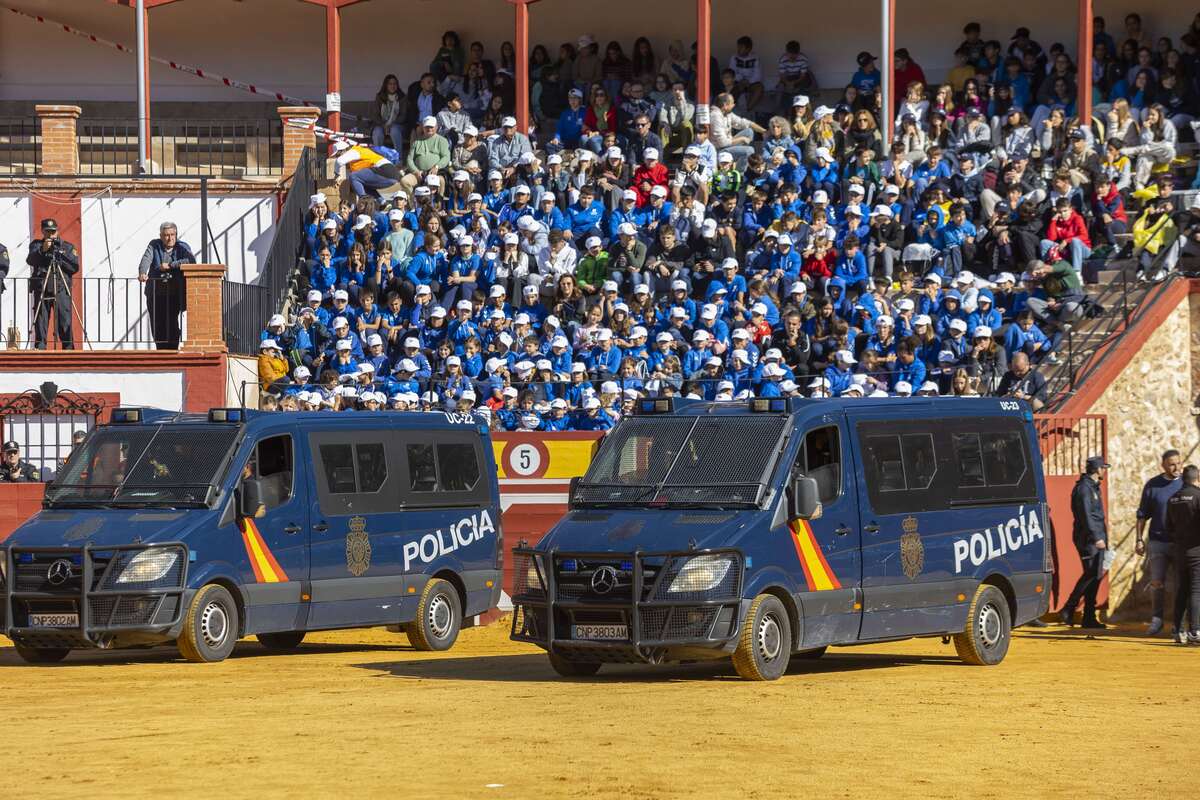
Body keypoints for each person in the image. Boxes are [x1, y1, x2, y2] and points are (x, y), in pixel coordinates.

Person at [1136, 449, 1184, 637]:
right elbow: (1142, 516)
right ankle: (1156, 621)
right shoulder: (1153, 485)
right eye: (1172, 464)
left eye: (1179, 463)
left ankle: (1179, 624)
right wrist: (1139, 540)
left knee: (1182, 585)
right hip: (1157, 542)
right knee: (1156, 583)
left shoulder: (1186, 484)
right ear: (1163, 465)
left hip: (1181, 544)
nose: (1176, 467)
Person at [1061, 456, 1111, 629]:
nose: (1104, 470)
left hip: (1096, 537)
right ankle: (1069, 607)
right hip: (1089, 538)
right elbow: (1086, 516)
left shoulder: (1092, 487)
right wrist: (1096, 537)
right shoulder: (1084, 489)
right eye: (1103, 468)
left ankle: (1089, 616)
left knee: (1095, 575)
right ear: (1097, 469)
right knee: (1091, 574)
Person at [138, 221, 195, 350]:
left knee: (171, 322)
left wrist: (170, 265)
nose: (170, 238)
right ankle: (160, 349)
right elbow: (146, 259)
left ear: (176, 234)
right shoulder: (154, 245)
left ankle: (172, 348)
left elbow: (191, 260)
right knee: (156, 322)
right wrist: (142, 272)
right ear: (161, 236)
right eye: (166, 235)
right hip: (155, 292)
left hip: (174, 293)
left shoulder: (182, 247)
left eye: (172, 234)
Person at [26, 217, 80, 350]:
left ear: (57, 231)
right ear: (42, 232)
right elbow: (30, 260)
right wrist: (43, 251)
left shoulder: (67, 247)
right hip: (42, 286)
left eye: (53, 231)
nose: (50, 235)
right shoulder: (36, 245)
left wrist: (58, 256)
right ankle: (40, 346)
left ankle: (68, 347)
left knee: (64, 318)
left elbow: (74, 267)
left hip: (61, 287)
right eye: (47, 232)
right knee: (41, 318)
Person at [1164, 464, 1200, 645]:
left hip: (1179, 550)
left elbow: (1167, 527)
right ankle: (1195, 632)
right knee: (1195, 590)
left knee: (1182, 590)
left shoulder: (1172, 499)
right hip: (1196, 550)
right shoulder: (1198, 496)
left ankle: (1178, 631)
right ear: (1197, 478)